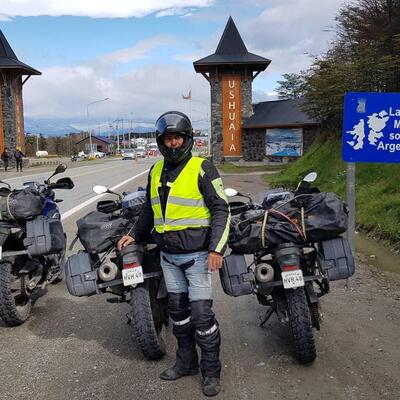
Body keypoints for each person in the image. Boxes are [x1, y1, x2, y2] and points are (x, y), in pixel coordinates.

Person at [118, 111, 230, 397]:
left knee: (201, 316)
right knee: (178, 314)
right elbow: (149, 208)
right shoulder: (155, 170)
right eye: (168, 139)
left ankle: (211, 372)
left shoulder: (202, 168)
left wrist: (216, 248)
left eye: (177, 138)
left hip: (197, 256)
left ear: (187, 139)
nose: (173, 144)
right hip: (168, 257)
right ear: (160, 141)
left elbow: (221, 209)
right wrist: (134, 233)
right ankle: (186, 363)